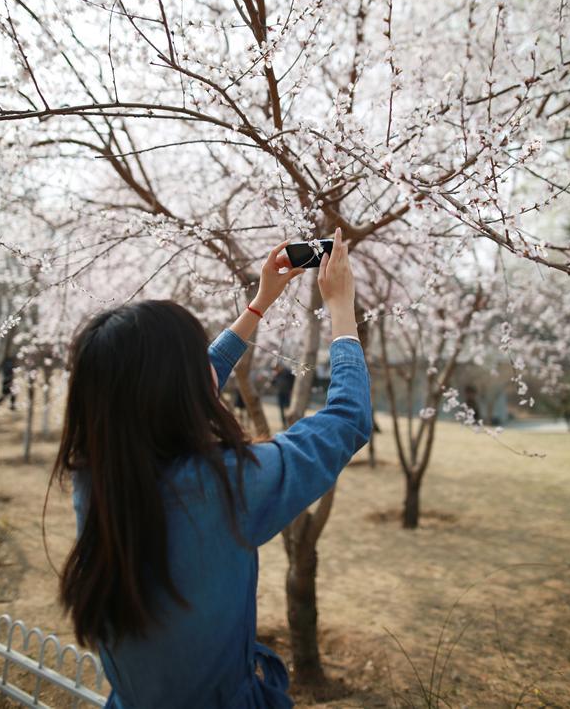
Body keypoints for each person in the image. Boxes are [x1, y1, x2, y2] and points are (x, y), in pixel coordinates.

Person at [46, 227, 371, 709]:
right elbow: (347, 420)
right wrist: (341, 309)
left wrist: (259, 304)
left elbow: (183, 383)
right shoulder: (228, 485)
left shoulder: (96, 476)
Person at [272, 363, 295, 427]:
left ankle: (289, 422)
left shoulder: (288, 372)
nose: (276, 370)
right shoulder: (276, 374)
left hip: (287, 393)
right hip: (280, 393)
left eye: (277, 368)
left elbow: (293, 381)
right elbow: (273, 383)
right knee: (281, 408)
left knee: (287, 408)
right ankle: (284, 423)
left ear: (280, 366)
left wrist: (292, 390)